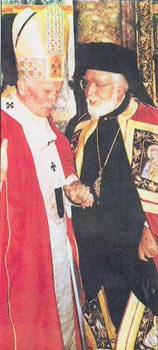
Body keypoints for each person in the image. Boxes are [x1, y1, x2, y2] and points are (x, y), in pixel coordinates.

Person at [0, 6, 94, 350]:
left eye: (57, 91)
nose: (53, 100)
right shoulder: (5, 125)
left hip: (56, 249)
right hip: (22, 261)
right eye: (46, 92)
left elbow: (61, 157)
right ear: (23, 84)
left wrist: (71, 184)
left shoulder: (44, 120)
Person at [65, 42, 158, 331]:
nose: (89, 92)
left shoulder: (151, 123)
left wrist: (151, 230)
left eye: (98, 84)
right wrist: (71, 190)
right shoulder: (79, 128)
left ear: (122, 86)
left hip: (137, 255)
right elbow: (64, 178)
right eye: (86, 82)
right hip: (94, 257)